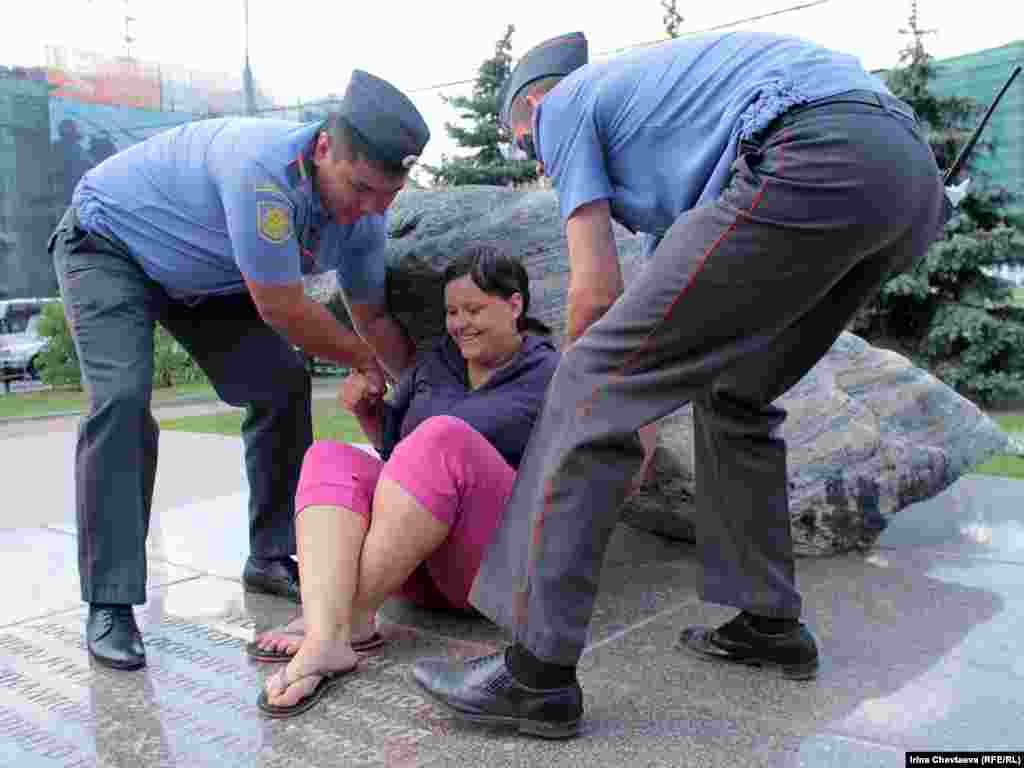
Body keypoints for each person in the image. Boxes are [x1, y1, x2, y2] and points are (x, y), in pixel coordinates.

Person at [412, 30, 945, 739]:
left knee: (586, 375)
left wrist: (586, 403)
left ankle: (535, 674)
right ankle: (768, 622)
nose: (535, 161)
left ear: (533, 106)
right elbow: (672, 325)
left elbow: (595, 298)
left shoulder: (566, 105)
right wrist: (625, 405)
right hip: (902, 176)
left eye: (520, 144)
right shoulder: (665, 126)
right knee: (735, 393)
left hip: (813, 150)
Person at [47, 70, 430, 672]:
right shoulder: (261, 172)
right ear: (323, 147)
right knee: (121, 397)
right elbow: (281, 306)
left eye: (385, 197)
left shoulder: (365, 213)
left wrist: (419, 393)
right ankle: (110, 599)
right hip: (109, 246)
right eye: (360, 190)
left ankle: (272, 554)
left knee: (280, 383)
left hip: (202, 277)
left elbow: (371, 315)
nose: (368, 211)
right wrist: (360, 360)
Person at [244, 245, 560, 718]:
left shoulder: (552, 374)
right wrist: (367, 413)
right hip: (405, 569)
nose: (460, 324)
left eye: (474, 309)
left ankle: (327, 627)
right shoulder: (436, 363)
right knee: (328, 454)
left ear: (515, 305)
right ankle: (344, 629)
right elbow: (397, 457)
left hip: (485, 570)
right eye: (452, 312)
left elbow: (570, 480)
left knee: (444, 436)